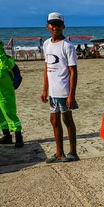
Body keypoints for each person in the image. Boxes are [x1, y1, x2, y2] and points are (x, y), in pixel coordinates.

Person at [41, 12, 79, 163]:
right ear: (47, 26)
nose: (55, 27)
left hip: (64, 90)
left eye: (58, 25)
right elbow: (46, 67)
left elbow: (73, 71)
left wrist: (71, 95)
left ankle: (73, 152)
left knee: (67, 120)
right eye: (52, 24)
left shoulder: (67, 46)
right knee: (54, 121)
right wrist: (45, 89)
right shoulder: (46, 44)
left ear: (63, 26)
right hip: (52, 92)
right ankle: (59, 152)